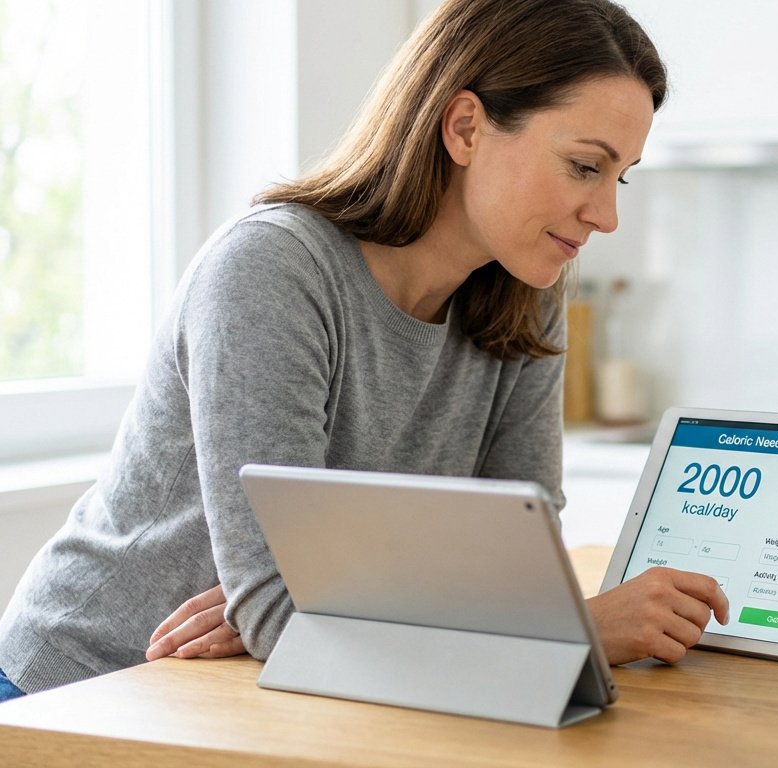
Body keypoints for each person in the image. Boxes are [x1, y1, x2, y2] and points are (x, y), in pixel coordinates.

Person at [0, 0, 728, 703]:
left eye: (620, 175)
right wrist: (581, 634)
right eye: (583, 166)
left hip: (266, 697)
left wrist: (332, 612)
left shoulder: (525, 296)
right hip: (88, 687)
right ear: (467, 127)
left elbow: (512, 574)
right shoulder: (273, 271)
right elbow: (284, 616)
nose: (605, 215)